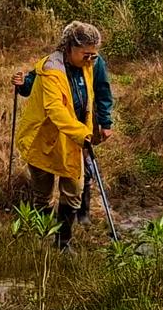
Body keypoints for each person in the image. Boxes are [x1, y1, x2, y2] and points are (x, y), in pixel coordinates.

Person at [11, 21, 106, 251]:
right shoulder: (51, 70)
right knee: (43, 193)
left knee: (74, 189)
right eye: (86, 55)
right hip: (43, 137)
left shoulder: (88, 66)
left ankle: (63, 243)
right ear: (70, 47)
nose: (91, 60)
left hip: (72, 139)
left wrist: (94, 127)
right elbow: (55, 109)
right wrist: (83, 133)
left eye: (94, 55)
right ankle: (42, 237)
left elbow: (92, 97)